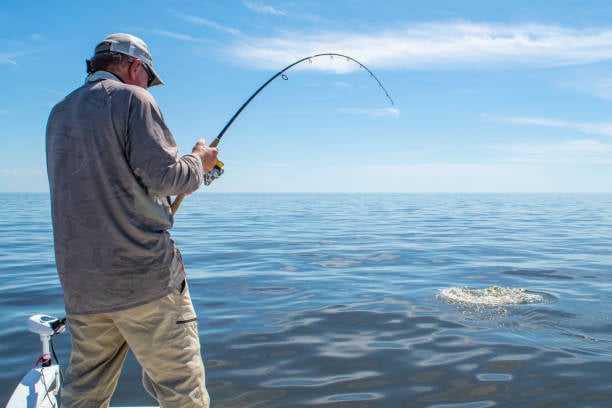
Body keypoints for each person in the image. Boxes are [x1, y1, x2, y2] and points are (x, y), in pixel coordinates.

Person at [46, 33, 216, 407]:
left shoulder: (59, 112)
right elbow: (166, 178)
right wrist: (199, 162)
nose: (149, 86)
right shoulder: (133, 98)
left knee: (83, 392)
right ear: (135, 66)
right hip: (145, 282)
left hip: (83, 288)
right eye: (149, 78)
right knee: (181, 390)